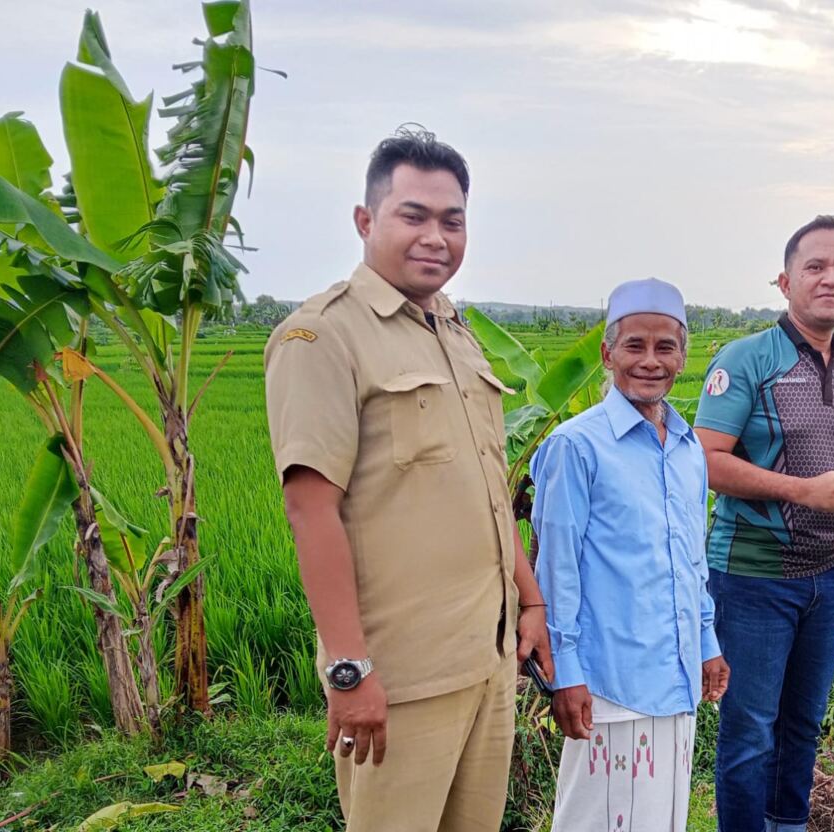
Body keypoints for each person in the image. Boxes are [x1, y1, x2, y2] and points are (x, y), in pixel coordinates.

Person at [264, 127, 554, 831]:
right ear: (365, 222)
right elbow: (311, 512)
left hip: (486, 663)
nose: (436, 236)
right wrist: (348, 670)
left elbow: (488, 491)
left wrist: (531, 602)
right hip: (400, 678)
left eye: (452, 220)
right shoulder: (323, 338)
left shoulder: (454, 332)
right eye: (413, 215)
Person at [694, 216, 834, 832]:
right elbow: (708, 462)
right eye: (815, 267)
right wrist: (800, 490)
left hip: (825, 584)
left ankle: (788, 824)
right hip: (752, 577)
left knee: (803, 723)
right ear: (785, 280)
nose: (831, 278)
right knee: (750, 730)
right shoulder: (747, 359)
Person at [531, 277, 730, 832]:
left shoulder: (689, 449)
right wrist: (564, 674)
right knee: (598, 820)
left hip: (676, 675)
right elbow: (557, 573)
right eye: (634, 346)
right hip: (607, 683)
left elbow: (694, 564)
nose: (650, 361)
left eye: (665, 347)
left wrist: (707, 644)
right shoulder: (576, 446)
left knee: (664, 817)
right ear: (607, 354)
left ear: (683, 355)